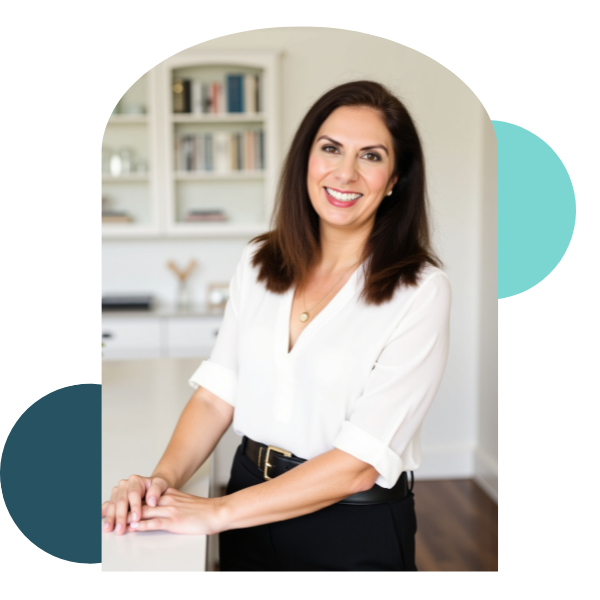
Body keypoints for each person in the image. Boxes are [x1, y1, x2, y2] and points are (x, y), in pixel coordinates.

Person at [101, 80, 451, 572]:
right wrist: (159, 484)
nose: (345, 172)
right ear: (306, 159)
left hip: (350, 524)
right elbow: (216, 396)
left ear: (394, 179)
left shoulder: (420, 289)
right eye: (330, 149)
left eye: (370, 156)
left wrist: (216, 512)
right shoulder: (258, 261)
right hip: (248, 500)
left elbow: (359, 464)